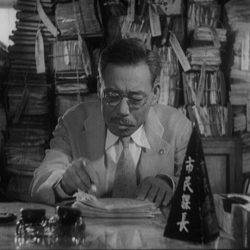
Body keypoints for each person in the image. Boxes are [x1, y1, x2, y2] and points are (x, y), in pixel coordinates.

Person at [30, 38, 192, 206]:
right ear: (100, 88)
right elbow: (41, 181)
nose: (123, 110)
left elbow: (197, 186)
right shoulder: (74, 122)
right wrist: (63, 183)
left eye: (135, 99)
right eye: (112, 96)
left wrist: (169, 183)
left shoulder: (177, 127)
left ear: (155, 94)